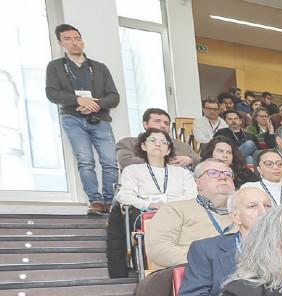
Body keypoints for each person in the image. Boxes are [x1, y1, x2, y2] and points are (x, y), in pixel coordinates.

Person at [46, 24, 119, 214]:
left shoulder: (99, 68)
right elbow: (52, 94)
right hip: (73, 119)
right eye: (68, 39)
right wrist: (78, 100)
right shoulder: (55, 66)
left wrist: (96, 104)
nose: (74, 43)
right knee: (85, 161)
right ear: (60, 43)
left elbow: (114, 97)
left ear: (82, 41)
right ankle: (95, 201)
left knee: (110, 162)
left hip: (100, 118)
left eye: (77, 38)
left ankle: (110, 202)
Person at [144, 159, 235, 268]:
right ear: (198, 183)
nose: (223, 177)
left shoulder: (244, 214)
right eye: (213, 173)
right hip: (189, 272)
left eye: (228, 174)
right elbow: (158, 249)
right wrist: (208, 261)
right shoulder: (174, 209)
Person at [114, 129, 197, 210]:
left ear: (168, 150)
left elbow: (192, 196)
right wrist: (149, 205)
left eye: (163, 142)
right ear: (143, 146)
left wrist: (169, 206)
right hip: (146, 214)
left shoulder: (182, 172)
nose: (157, 144)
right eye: (152, 140)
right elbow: (124, 196)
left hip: (179, 212)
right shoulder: (132, 170)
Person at [115, 108, 198, 170]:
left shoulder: (180, 145)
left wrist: (190, 160)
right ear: (145, 124)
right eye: (157, 121)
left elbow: (200, 160)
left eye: (166, 123)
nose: (163, 125)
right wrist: (164, 162)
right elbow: (126, 161)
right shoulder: (128, 142)